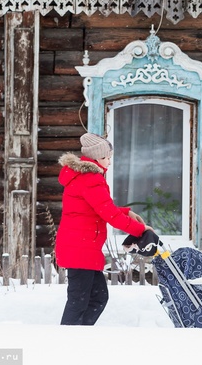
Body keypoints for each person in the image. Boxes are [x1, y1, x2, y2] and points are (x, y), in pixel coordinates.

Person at [55, 132, 150, 325]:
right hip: (80, 249)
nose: (109, 162)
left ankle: (79, 336)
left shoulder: (82, 176)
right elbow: (110, 215)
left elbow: (97, 208)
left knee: (96, 298)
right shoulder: (90, 179)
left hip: (82, 247)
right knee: (80, 301)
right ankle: (66, 341)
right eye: (107, 158)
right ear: (96, 158)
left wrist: (127, 212)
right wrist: (140, 230)